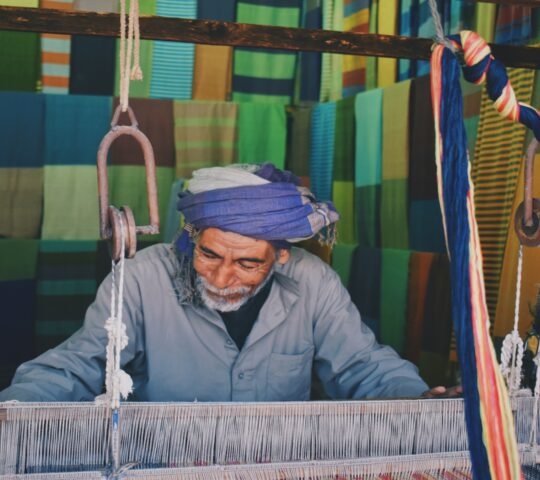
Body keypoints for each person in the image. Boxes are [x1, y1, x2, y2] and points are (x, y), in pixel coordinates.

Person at [0, 163, 459, 402]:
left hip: (275, 464)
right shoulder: (141, 280)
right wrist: (16, 408)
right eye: (209, 254)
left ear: (281, 255)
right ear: (191, 235)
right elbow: (81, 365)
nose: (222, 277)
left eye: (248, 265)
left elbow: (360, 366)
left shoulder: (312, 282)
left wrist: (415, 398)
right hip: (164, 466)